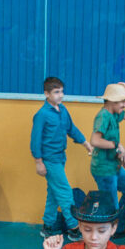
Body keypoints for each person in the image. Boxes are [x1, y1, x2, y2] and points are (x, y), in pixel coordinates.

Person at [30, 76, 93, 240]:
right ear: (46, 94)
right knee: (65, 192)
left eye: (62, 91)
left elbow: (71, 129)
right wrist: (39, 162)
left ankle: (47, 226)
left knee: (53, 192)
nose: (61, 95)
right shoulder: (42, 115)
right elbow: (35, 140)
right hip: (50, 160)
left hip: (60, 157)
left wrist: (86, 143)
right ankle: (74, 228)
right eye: (56, 92)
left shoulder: (63, 110)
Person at [89, 81, 125, 235]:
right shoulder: (103, 116)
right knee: (111, 207)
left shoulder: (115, 114)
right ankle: (108, 236)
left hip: (115, 165)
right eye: (122, 102)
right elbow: (95, 141)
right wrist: (117, 145)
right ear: (112, 101)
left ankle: (118, 228)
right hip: (104, 169)